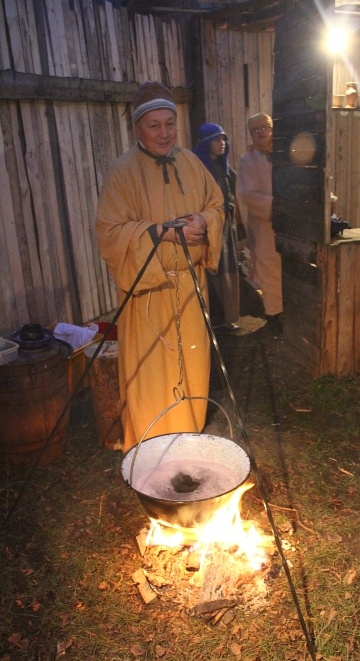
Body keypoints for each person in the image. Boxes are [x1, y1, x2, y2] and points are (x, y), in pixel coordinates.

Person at [95, 81, 224, 452]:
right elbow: (109, 232)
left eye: (170, 124)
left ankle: (188, 442)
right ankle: (152, 451)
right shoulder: (122, 172)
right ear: (138, 128)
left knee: (193, 370)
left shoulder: (191, 163)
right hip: (148, 294)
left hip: (188, 287)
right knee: (149, 377)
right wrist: (155, 233)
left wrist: (204, 219)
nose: (164, 133)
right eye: (155, 126)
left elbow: (217, 206)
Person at [237, 112, 283, 336]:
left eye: (265, 127)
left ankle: (293, 314)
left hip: (290, 227)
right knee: (269, 272)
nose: (261, 132)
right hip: (264, 229)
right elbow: (249, 196)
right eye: (255, 130)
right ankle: (274, 316)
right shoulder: (248, 161)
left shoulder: (285, 153)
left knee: (290, 270)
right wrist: (280, 207)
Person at [194, 123, 240, 333]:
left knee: (228, 271)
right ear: (206, 143)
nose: (221, 144)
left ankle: (227, 318)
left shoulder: (225, 168)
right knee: (213, 271)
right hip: (210, 230)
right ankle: (213, 320)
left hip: (226, 229)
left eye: (223, 139)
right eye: (216, 140)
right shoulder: (198, 169)